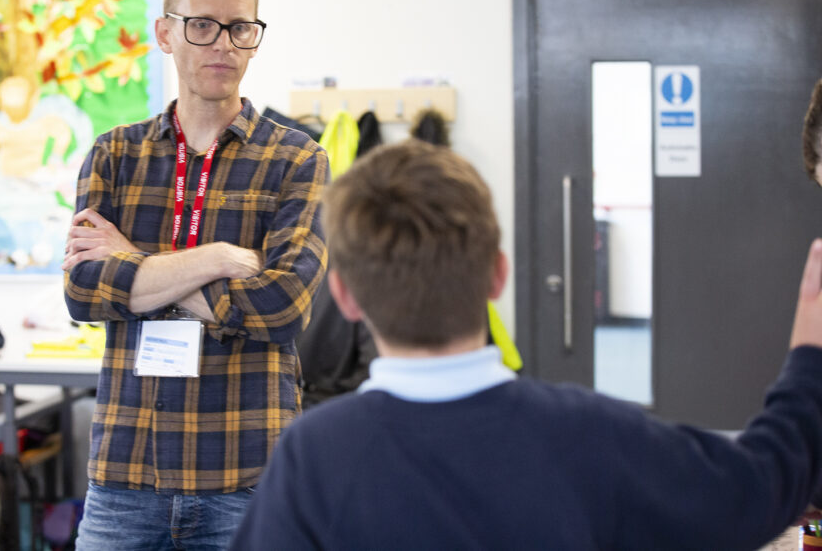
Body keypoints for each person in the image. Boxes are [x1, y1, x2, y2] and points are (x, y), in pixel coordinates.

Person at [231, 139, 822, 550]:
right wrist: (808, 358)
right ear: (498, 275)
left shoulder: (313, 456)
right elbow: (761, 489)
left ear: (345, 297)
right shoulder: (592, 434)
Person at [62, 0, 329, 550]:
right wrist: (217, 259)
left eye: (241, 28)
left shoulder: (296, 159)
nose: (224, 45)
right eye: (202, 25)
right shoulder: (115, 155)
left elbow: (284, 306)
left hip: (249, 475)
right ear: (165, 33)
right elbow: (81, 293)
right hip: (126, 474)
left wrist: (133, 267)